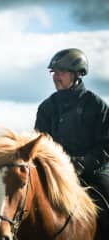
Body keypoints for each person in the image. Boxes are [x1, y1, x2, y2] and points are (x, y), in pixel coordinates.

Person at [34, 48, 109, 237]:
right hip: (57, 174)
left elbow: (106, 145)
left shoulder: (96, 105)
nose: (56, 76)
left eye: (61, 72)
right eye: (54, 72)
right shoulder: (46, 107)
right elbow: (39, 144)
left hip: (93, 172)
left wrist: (83, 163)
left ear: (78, 74)